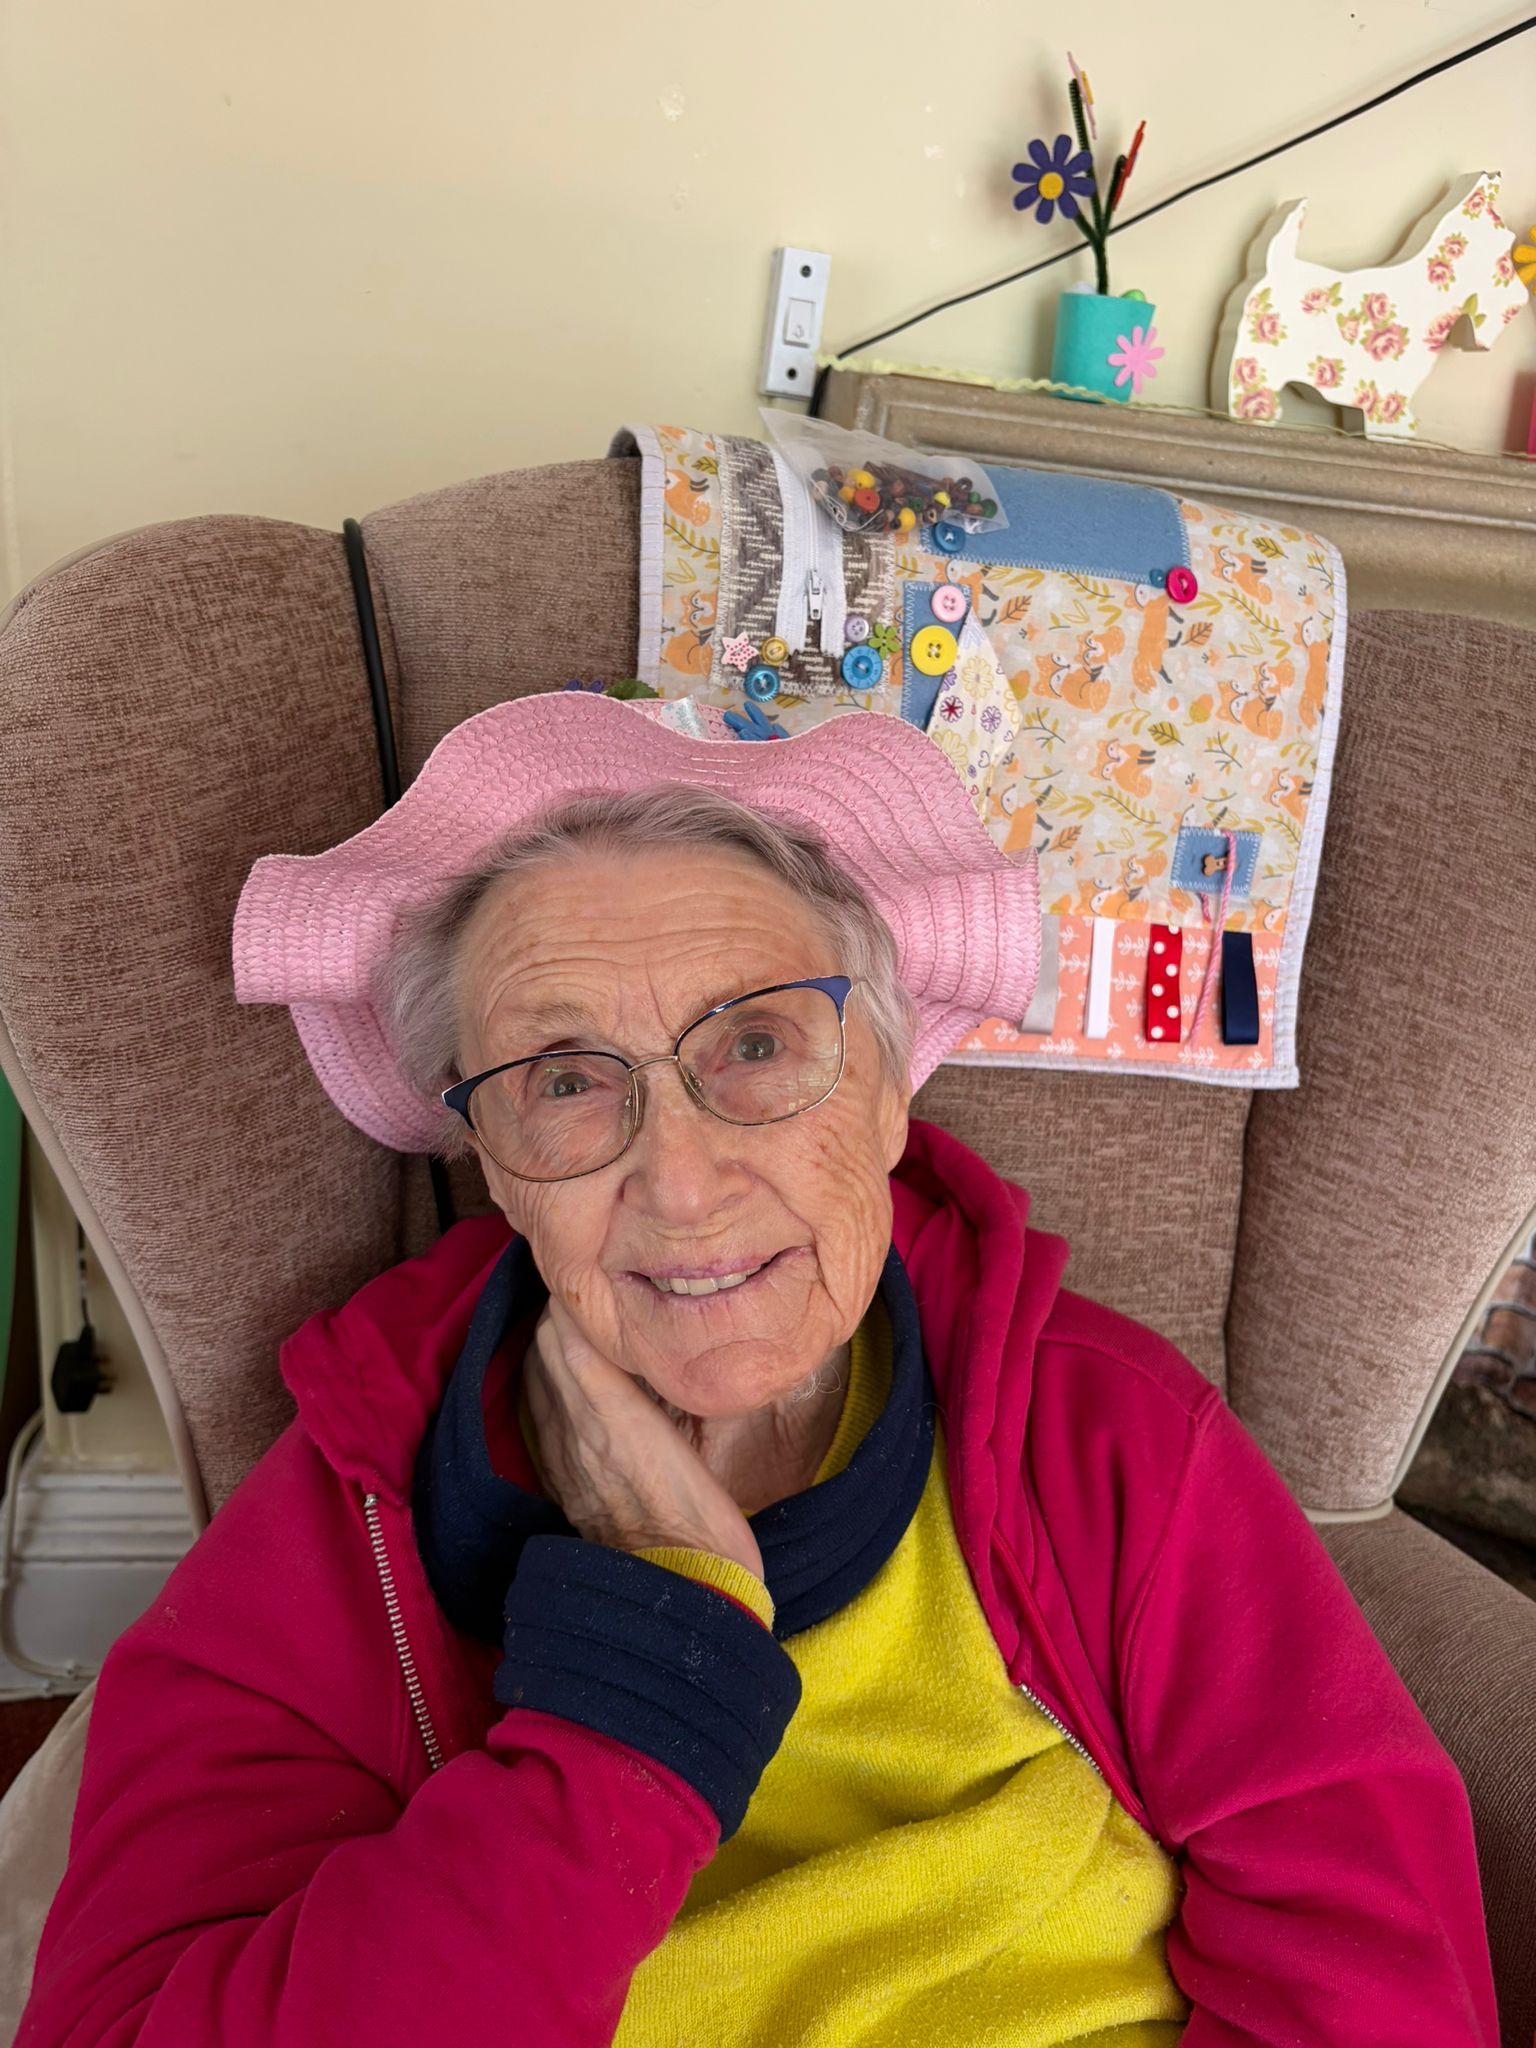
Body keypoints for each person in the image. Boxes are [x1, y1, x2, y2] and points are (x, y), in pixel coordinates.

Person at [18, 694, 1497, 2046]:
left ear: (889, 1092)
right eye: (565, 1082)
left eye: (759, 1045)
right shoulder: (344, 1519)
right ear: (492, 1169)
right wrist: (633, 1696)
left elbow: (1379, 1970)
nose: (682, 1180)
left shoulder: (1105, 1434)